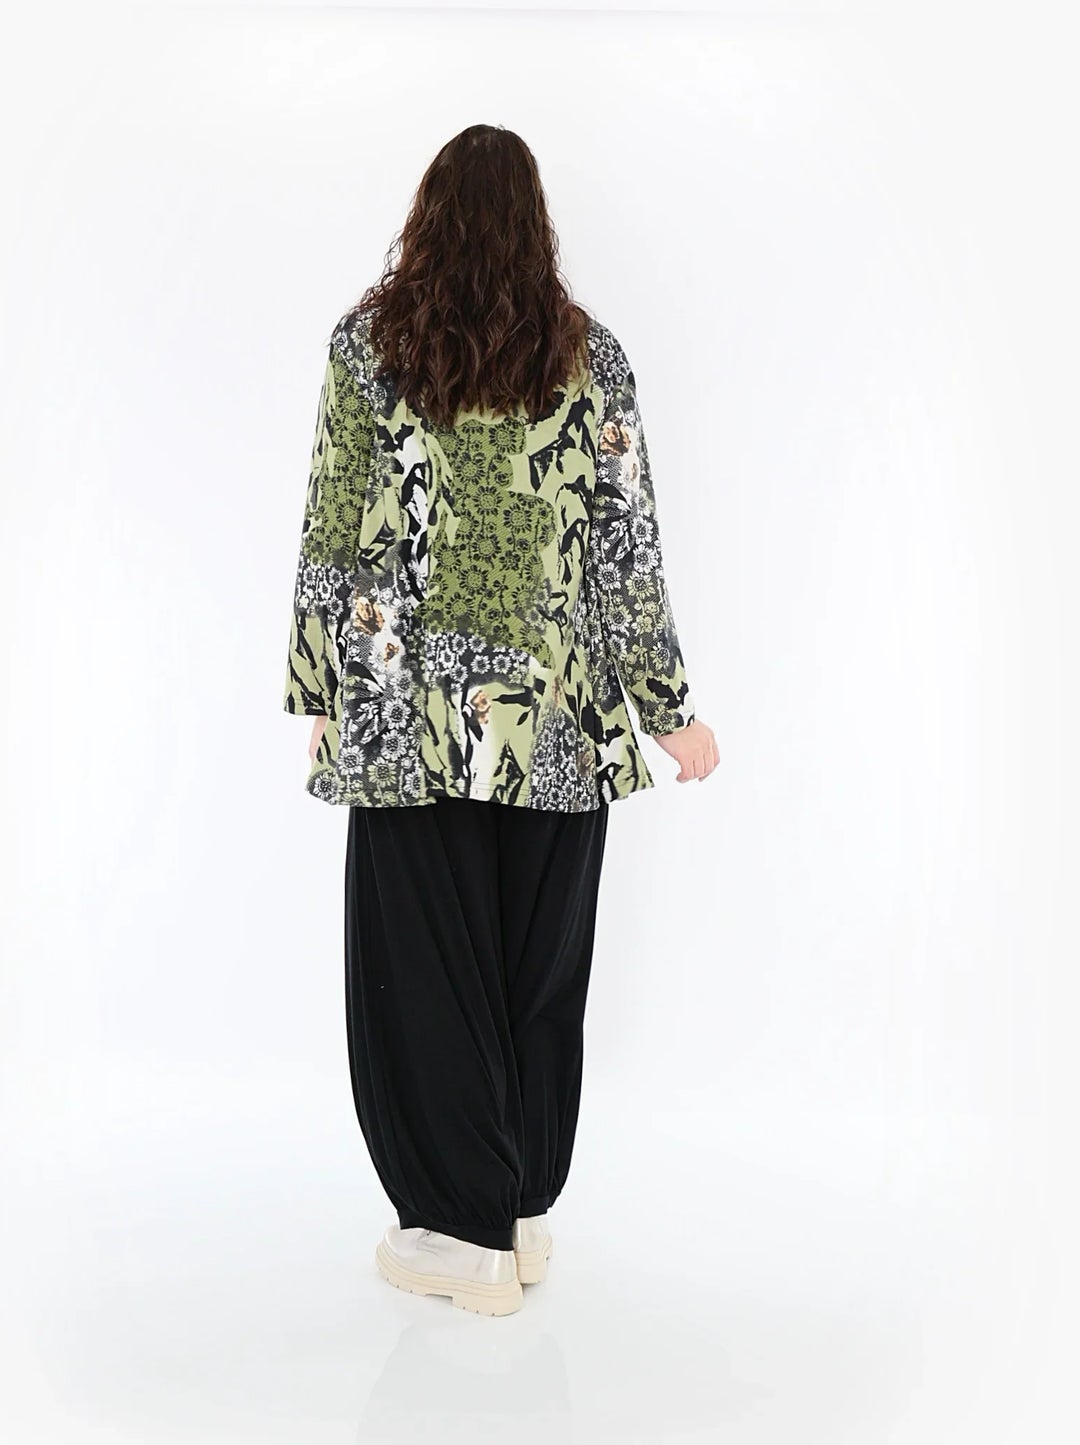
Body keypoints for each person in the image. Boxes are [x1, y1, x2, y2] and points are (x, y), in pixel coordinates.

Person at [282, 124, 717, 1316]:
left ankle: (461, 1229)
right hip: (558, 723)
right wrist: (668, 710)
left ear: (425, 215)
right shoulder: (591, 355)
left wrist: (322, 689)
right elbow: (626, 547)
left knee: (424, 973)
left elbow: (331, 524)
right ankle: (516, 1211)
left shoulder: (368, 346)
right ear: (536, 223)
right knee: (535, 971)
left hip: (405, 714)